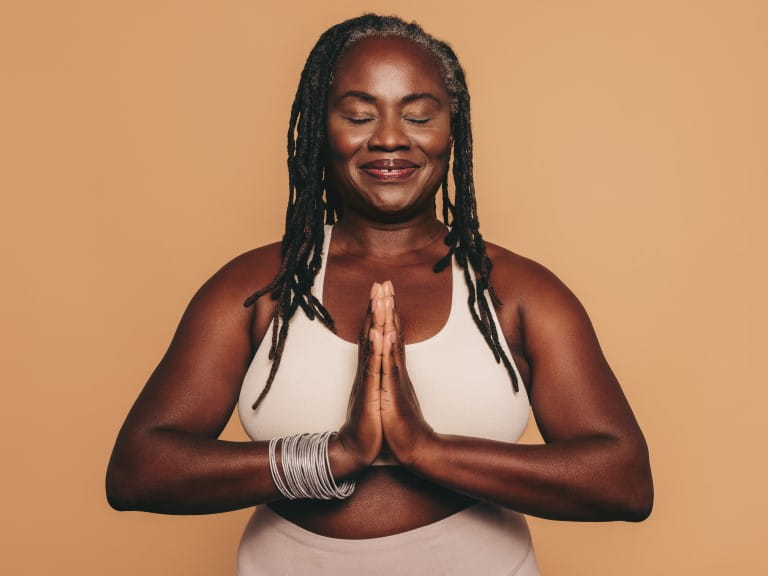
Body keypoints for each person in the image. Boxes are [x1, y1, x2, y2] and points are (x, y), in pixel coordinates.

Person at [106, 14, 653, 575]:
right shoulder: (259, 288)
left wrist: (424, 449)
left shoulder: (519, 294)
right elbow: (139, 470)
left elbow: (624, 481)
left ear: (452, 131)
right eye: (359, 115)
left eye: (418, 115)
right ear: (322, 130)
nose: (390, 137)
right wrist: (337, 455)